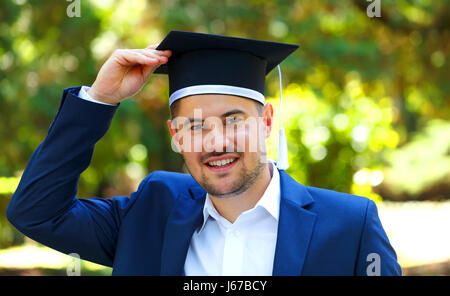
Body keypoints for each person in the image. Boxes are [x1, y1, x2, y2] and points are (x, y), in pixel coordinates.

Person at [7, 31, 401, 276]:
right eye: (194, 126)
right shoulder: (152, 211)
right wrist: (99, 100)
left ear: (266, 122)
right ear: (175, 135)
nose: (215, 142)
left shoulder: (350, 227)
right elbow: (36, 212)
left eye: (233, 120)